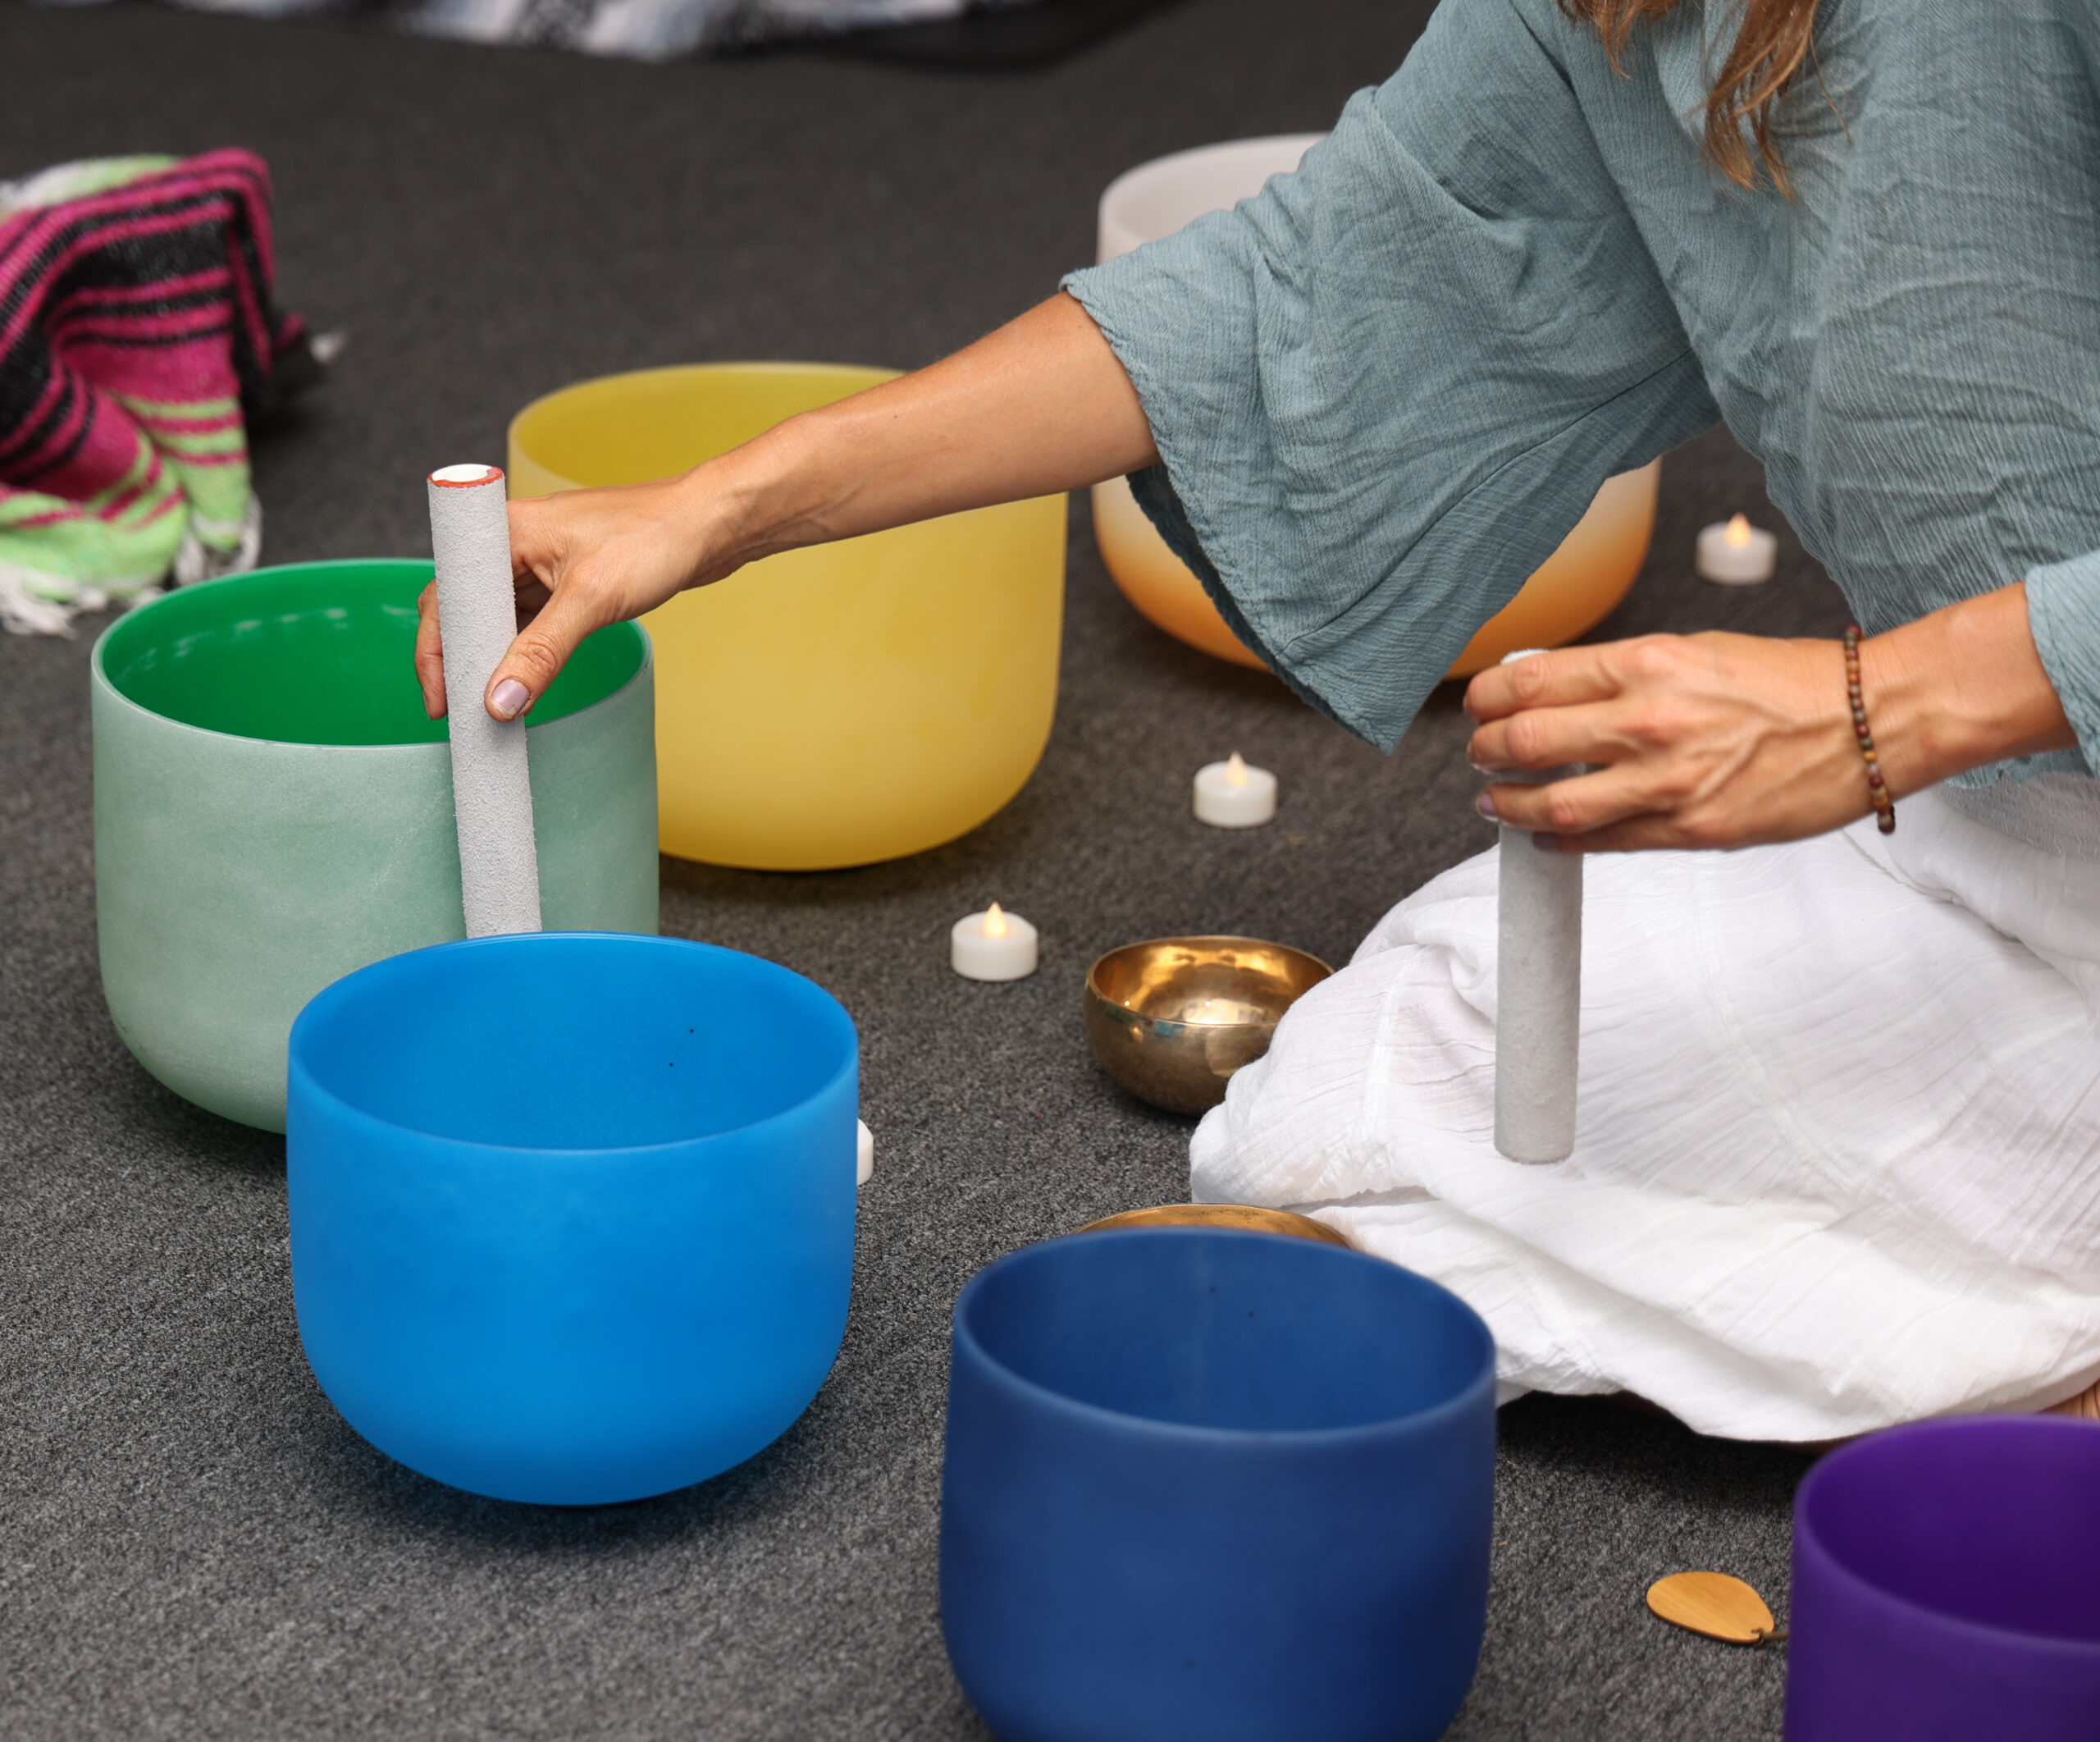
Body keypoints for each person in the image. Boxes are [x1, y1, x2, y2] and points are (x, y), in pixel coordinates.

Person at [416, 0, 2100, 1442]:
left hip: (1951, 755)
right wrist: (721, 508)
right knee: (1364, 1092)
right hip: (2014, 818)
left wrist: (1874, 712)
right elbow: (1320, 280)